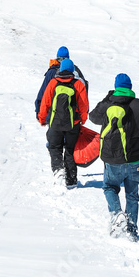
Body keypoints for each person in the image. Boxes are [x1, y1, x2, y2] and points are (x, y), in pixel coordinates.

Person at [89, 73, 139, 239]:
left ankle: (117, 214)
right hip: (134, 159)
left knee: (109, 187)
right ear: (130, 87)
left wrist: (107, 98)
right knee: (132, 195)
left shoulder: (109, 104)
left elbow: (92, 117)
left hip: (112, 159)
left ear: (116, 87)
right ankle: (131, 231)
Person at [37, 58, 89, 189]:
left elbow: (45, 102)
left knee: (55, 147)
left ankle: (58, 169)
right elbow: (83, 105)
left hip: (55, 122)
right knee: (70, 150)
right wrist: (83, 119)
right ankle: (71, 181)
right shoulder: (78, 84)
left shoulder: (53, 83)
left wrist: (42, 118)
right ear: (72, 70)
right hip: (73, 123)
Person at [35, 46, 87, 119]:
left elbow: (43, 93)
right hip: (73, 116)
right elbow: (84, 96)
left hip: (53, 115)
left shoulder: (52, 72)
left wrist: (39, 113)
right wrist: (82, 116)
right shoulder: (76, 71)